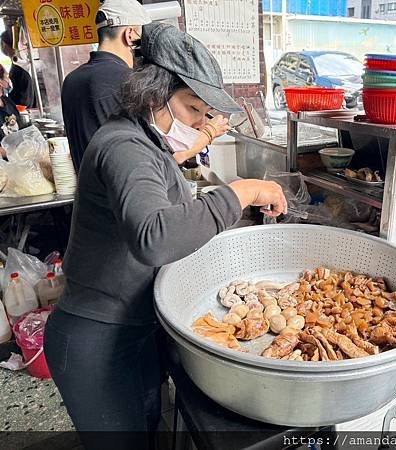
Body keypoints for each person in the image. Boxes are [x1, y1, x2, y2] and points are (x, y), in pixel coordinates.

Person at [44, 22, 287, 449]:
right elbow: (154, 236)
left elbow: (168, 197)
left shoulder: (145, 139)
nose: (200, 122)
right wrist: (244, 190)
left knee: (148, 428)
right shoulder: (124, 146)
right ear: (155, 93)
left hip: (133, 328)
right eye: (194, 109)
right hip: (95, 338)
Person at [61, 0, 152, 172]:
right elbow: (145, 151)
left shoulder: (71, 80)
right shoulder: (127, 79)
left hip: (86, 194)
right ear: (130, 34)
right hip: (121, 195)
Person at [0, 31, 34, 108]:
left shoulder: (19, 67)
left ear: (4, 45)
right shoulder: (20, 63)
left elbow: (22, 98)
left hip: (21, 108)